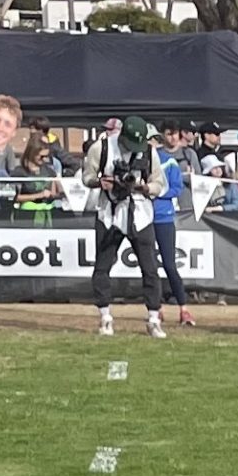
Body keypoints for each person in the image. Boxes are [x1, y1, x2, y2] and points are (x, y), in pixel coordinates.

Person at [83, 116, 170, 338]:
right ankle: (105, 316)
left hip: (140, 214)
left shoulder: (149, 152)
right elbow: (87, 177)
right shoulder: (101, 148)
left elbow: (160, 183)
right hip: (109, 213)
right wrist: (100, 182)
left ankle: (153, 318)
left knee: (150, 268)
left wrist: (145, 188)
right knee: (102, 266)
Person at [150, 123, 197, 326]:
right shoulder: (142, 160)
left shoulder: (169, 162)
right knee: (150, 267)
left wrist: (156, 192)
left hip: (164, 217)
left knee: (169, 264)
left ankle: (183, 308)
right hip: (145, 217)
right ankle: (156, 308)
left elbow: (176, 188)